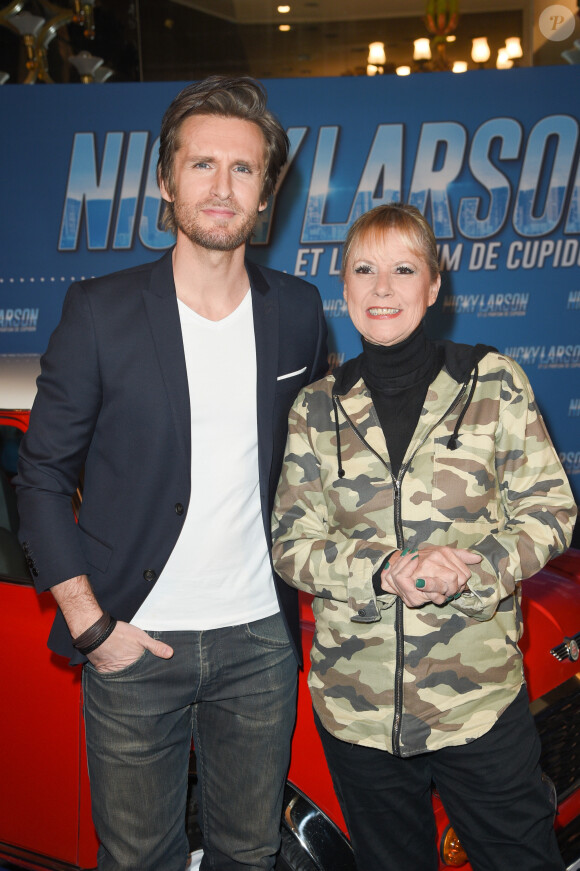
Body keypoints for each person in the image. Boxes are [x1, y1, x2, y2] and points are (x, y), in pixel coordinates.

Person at [16, 76, 328, 871]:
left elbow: (315, 467)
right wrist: (91, 625)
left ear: (268, 192)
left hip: (260, 641)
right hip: (132, 638)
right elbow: (43, 474)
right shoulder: (100, 310)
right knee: (138, 861)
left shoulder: (298, 310)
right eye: (202, 165)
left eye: (244, 170)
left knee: (248, 855)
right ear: (165, 180)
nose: (222, 188)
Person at [271, 203, 576, 871]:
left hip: (479, 703)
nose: (383, 288)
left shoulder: (493, 383)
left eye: (403, 269)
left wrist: (479, 566)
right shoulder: (315, 409)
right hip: (358, 712)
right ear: (344, 288)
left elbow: (551, 510)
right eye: (365, 270)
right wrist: (379, 571)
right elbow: (290, 542)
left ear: (434, 284)